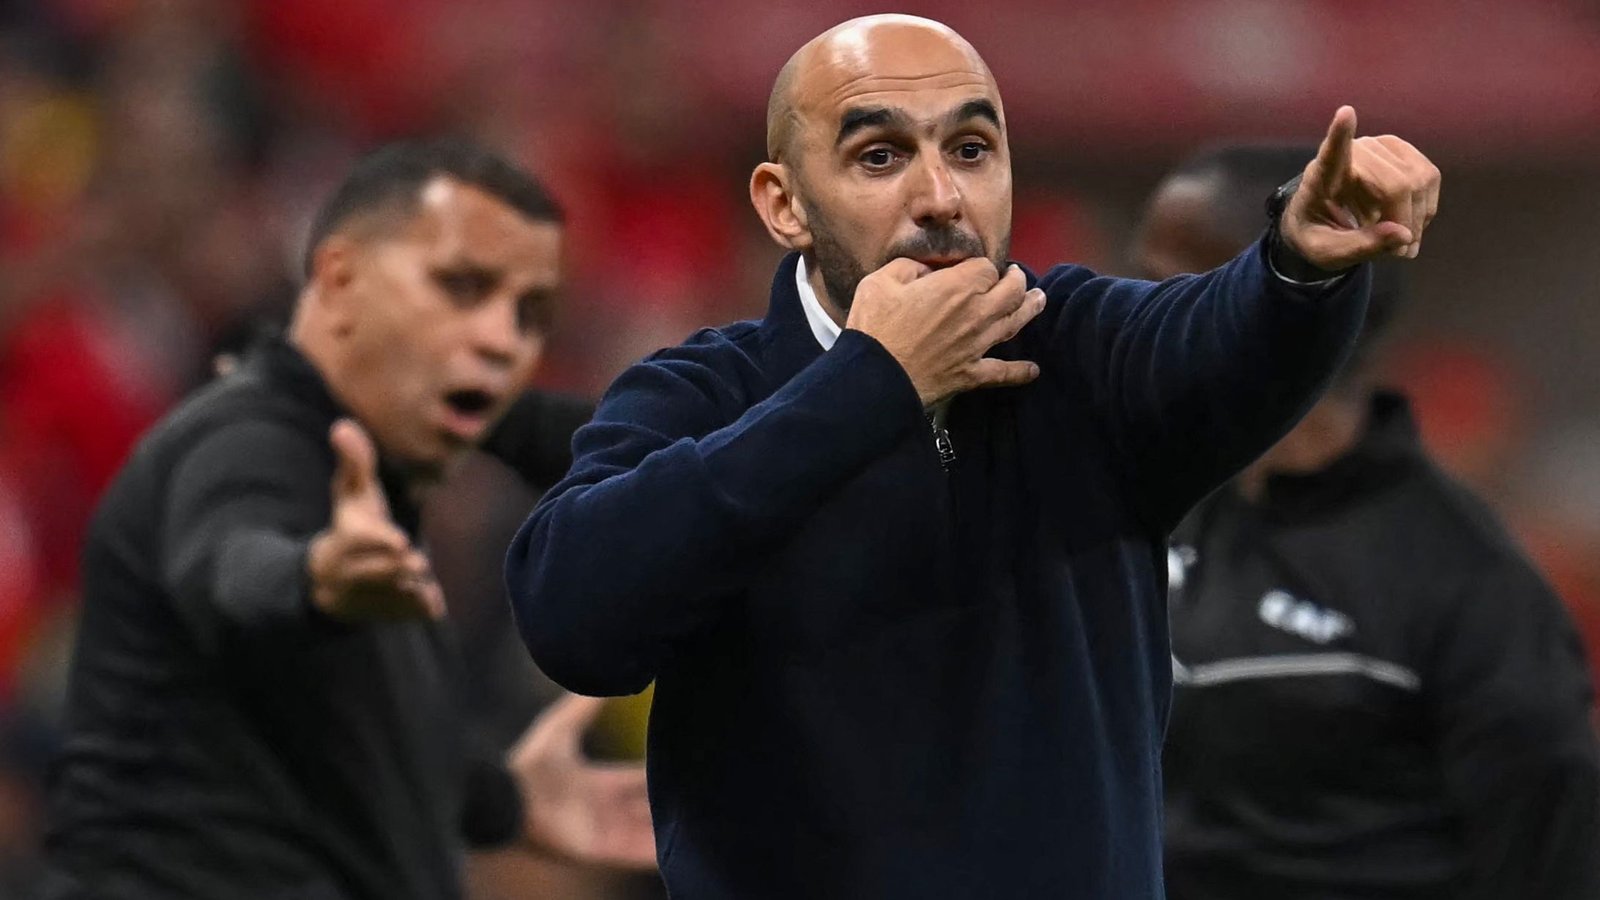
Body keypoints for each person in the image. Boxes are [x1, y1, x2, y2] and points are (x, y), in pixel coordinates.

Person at [505, 14, 1441, 898]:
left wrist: (1299, 259)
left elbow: (1224, 333)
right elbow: (576, 612)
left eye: (970, 149)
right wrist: (872, 387)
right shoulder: (699, 393)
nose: (941, 198)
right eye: (880, 156)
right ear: (784, 204)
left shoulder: (1080, 350)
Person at [41, 139, 655, 900]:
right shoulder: (243, 440)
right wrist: (311, 577)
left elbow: (305, 748)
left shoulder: (388, 442)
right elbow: (233, 563)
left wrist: (508, 804)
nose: (502, 338)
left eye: (529, 312)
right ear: (340, 279)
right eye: (461, 288)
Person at [1138, 145, 1600, 900]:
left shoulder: (1467, 584)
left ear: (1278, 299)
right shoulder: (1148, 509)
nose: (1131, 314)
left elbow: (1549, 854)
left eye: (1164, 285)